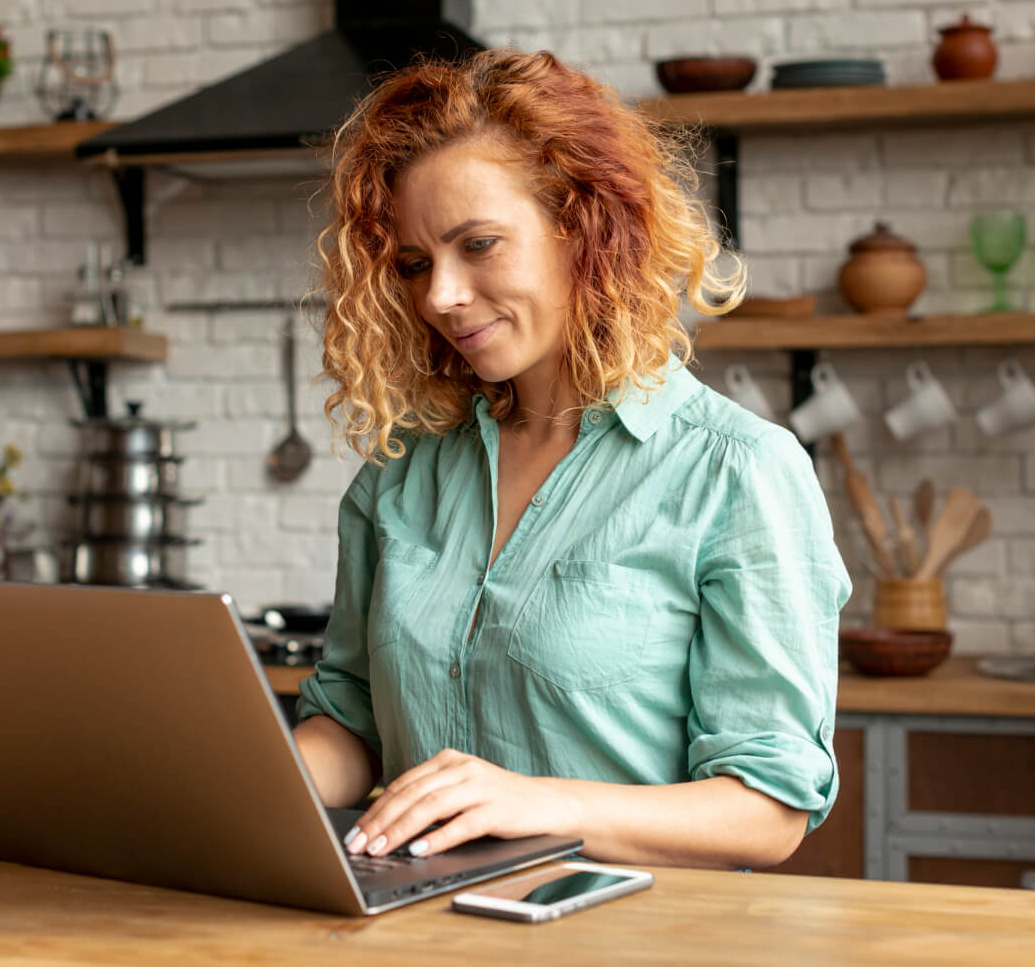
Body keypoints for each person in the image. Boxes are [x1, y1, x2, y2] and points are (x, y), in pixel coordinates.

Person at [292, 48, 851, 871]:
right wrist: (219, 787)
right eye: (415, 264)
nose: (439, 295)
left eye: (477, 244)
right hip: (420, 931)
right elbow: (353, 722)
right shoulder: (404, 468)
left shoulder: (739, 471)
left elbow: (767, 810)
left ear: (583, 229)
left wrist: (540, 801)